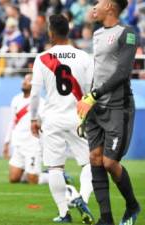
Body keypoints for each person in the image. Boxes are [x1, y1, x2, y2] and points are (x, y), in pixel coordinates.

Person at [77, 0, 141, 224]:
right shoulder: (96, 34)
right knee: (94, 158)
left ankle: (132, 205)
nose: (94, 6)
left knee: (109, 163)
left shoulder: (128, 33)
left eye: (99, 2)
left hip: (118, 106)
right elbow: (101, 71)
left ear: (111, 7)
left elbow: (123, 72)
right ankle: (106, 219)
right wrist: (89, 98)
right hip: (97, 105)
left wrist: (95, 94)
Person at [30, 14, 94, 224]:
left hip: (52, 119)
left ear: (51, 32)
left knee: (56, 168)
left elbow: (35, 94)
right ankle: (82, 199)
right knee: (88, 165)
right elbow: (90, 91)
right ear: (69, 31)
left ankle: (64, 213)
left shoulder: (42, 58)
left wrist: (33, 119)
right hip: (78, 117)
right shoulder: (84, 57)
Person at [3, 73, 48, 184]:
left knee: (33, 180)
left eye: (28, 80)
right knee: (13, 179)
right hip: (18, 144)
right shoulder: (16, 99)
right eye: (24, 79)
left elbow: (44, 125)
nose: (24, 82)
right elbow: (12, 122)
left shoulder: (41, 103)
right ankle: (28, 172)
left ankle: (54, 176)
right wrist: (6, 142)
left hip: (33, 145)